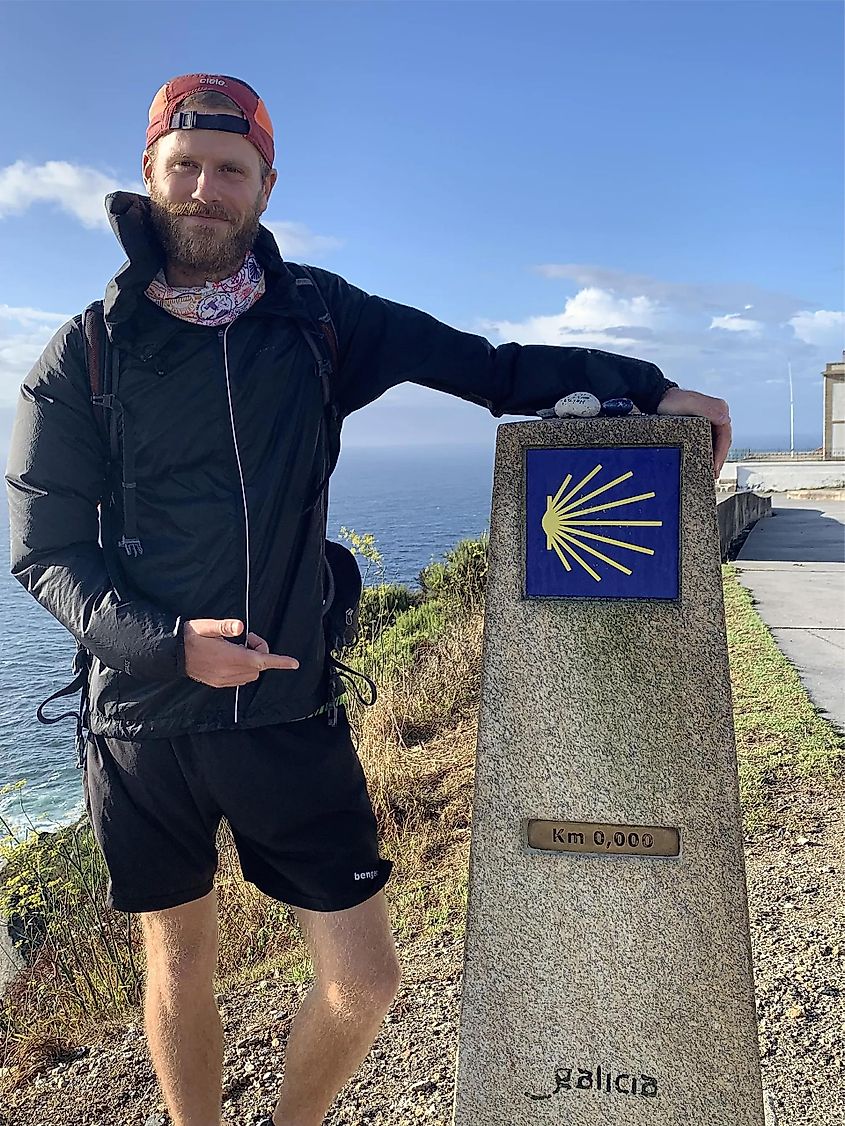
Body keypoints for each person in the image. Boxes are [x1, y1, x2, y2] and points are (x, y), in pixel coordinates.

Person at [5, 74, 732, 1126]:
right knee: (180, 962)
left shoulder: (319, 320)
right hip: (141, 719)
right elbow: (45, 552)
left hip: (288, 709)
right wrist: (168, 645)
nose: (205, 189)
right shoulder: (84, 351)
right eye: (185, 167)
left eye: (230, 171)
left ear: (264, 186)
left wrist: (654, 385)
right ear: (149, 175)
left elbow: (489, 367)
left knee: (365, 979)